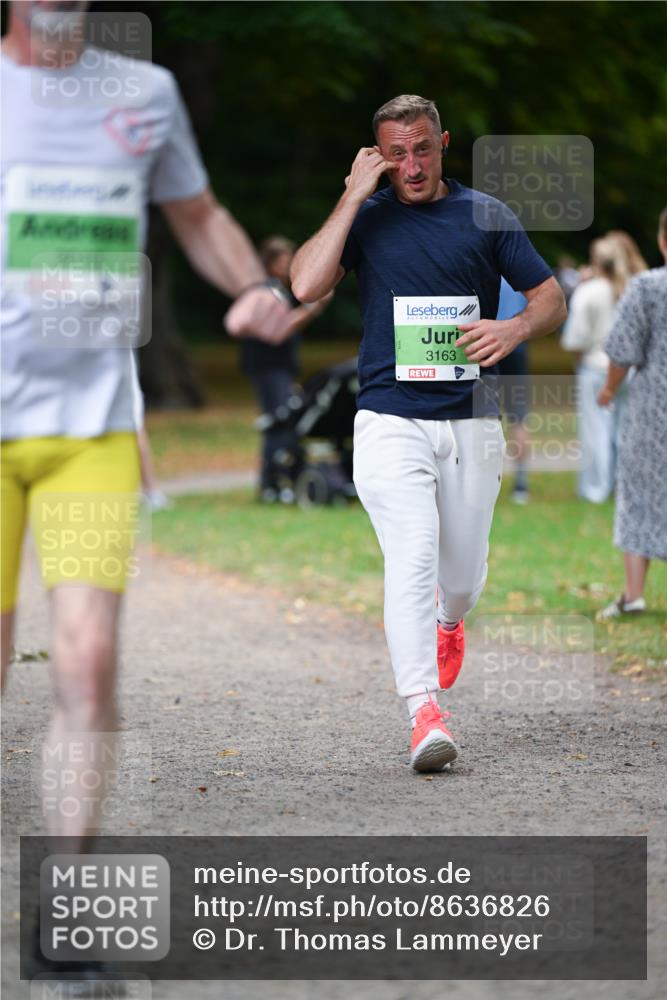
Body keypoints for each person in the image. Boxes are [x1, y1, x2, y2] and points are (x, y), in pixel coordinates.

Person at [1, 1, 289, 980]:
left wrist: (256, 288)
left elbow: (198, 217)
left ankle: (61, 918)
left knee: (87, 665)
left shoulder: (145, 94)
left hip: (89, 430)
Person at [291, 94, 566, 772]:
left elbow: (549, 298)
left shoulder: (486, 214)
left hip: (471, 420)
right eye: (395, 155)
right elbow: (304, 285)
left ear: (442, 143)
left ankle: (450, 619)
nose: (411, 167)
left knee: (461, 577)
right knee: (411, 557)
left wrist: (513, 328)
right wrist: (353, 195)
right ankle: (423, 711)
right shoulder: (366, 217)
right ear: (378, 157)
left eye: (421, 150)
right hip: (388, 418)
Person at [596, 208, 667, 620]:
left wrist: (608, 389)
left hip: (654, 409)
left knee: (639, 492)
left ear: (662, 240)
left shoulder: (647, 287)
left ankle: (634, 594)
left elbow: (622, 348)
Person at [237, 236, 332, 503]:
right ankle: (271, 485)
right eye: (283, 261)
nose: (288, 266)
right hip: (268, 366)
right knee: (278, 421)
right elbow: (281, 327)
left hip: (278, 366)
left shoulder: (277, 290)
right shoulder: (265, 291)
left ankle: (277, 481)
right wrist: (314, 307)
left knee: (281, 420)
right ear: (269, 263)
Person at [561, 232, 647, 502]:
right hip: (631, 368)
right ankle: (625, 485)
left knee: (595, 430)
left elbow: (576, 338)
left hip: (595, 367)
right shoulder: (635, 289)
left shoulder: (589, 292)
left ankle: (596, 489)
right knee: (626, 430)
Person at [496, 279, 531, 503]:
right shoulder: (518, 275)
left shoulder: (477, 269)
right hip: (516, 349)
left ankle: (482, 481)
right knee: (518, 418)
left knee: (482, 418)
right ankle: (521, 483)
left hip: (486, 345)